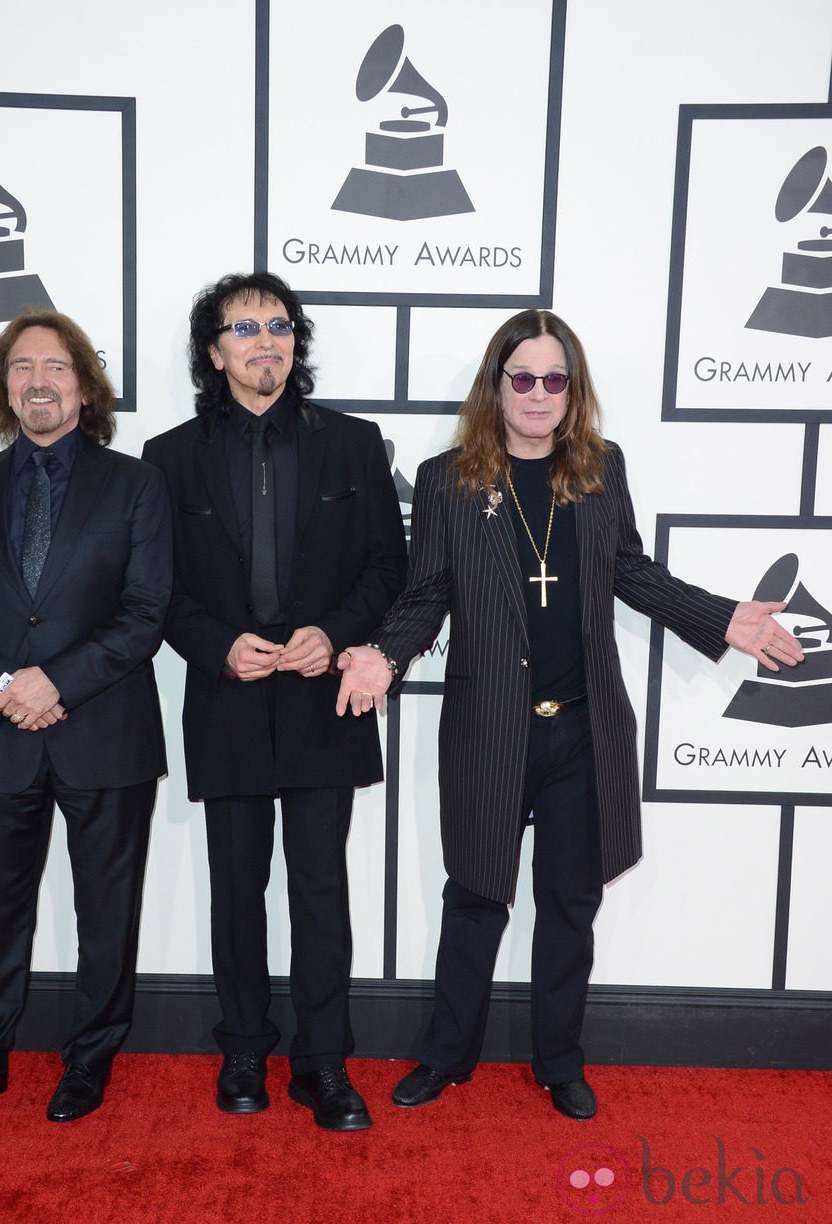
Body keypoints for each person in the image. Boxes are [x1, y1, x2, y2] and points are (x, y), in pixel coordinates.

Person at [335, 309, 804, 1121]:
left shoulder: (598, 469)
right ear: (498, 385)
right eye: (524, 378)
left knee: (569, 905)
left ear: (572, 390)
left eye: (557, 379)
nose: (540, 394)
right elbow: (426, 597)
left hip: (582, 729)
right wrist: (384, 653)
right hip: (490, 728)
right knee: (477, 895)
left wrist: (721, 617)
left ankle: (560, 1062)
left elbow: (631, 569)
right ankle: (447, 1057)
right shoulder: (448, 480)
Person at [0, 309, 172, 1123]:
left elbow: (146, 611)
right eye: (20, 368)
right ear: (2, 387)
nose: (37, 382)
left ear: (84, 386)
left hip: (106, 730)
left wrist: (56, 683)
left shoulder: (136, 484)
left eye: (55, 367)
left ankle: (89, 1060)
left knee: (107, 913)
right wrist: (6, 684)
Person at [142, 271, 406, 1131]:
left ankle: (325, 1064)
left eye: (280, 325)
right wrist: (213, 642)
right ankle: (246, 1052)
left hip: (322, 698)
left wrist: (333, 633)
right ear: (214, 351)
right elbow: (154, 589)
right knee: (235, 890)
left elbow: (386, 570)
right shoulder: (168, 457)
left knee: (322, 890)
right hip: (226, 697)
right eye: (244, 328)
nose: (267, 341)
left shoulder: (357, 443)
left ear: (298, 341)